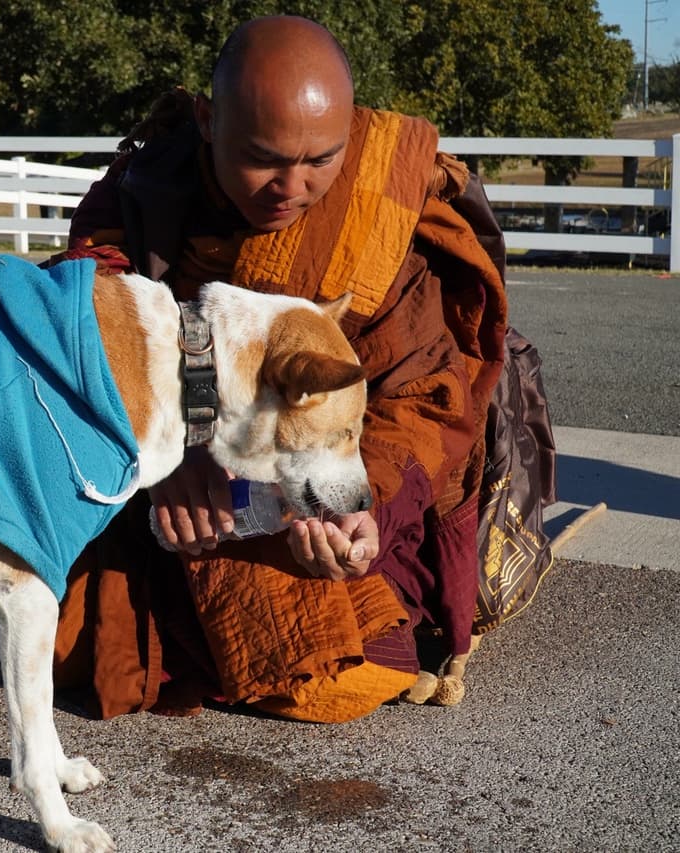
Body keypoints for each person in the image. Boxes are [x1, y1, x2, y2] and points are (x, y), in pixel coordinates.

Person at [49, 15, 508, 723]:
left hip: (325, 470)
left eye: (321, 159)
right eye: (261, 158)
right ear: (207, 120)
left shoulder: (372, 205)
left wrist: (368, 506)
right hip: (163, 469)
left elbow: (425, 389)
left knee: (355, 664)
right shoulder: (144, 194)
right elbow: (81, 317)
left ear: (350, 134)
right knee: (69, 644)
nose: (289, 188)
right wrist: (178, 449)